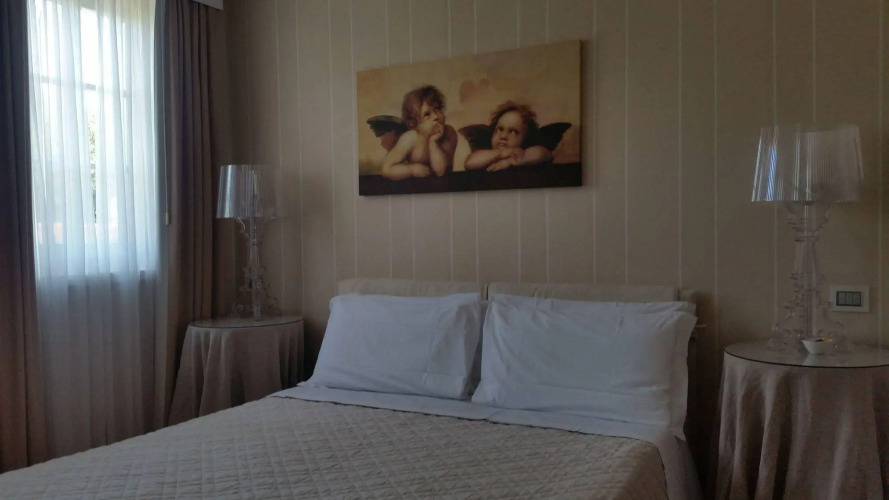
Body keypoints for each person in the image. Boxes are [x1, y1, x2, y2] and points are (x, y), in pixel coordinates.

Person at [381, 85, 458, 180]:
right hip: (415, 186)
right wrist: (411, 170)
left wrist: (433, 142)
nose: (436, 116)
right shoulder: (410, 139)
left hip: (443, 185)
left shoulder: (449, 133)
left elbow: (441, 172)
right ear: (415, 125)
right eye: (427, 114)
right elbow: (386, 169)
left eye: (437, 108)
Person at [464, 101, 553, 172]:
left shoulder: (526, 153)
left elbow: (544, 154)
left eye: (513, 132)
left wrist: (511, 161)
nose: (503, 136)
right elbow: (470, 163)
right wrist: (502, 153)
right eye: (500, 129)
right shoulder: (488, 155)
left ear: (526, 139)